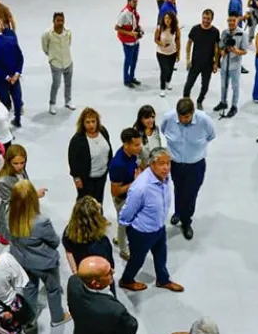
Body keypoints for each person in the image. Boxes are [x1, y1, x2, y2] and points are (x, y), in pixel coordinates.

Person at [117, 147, 184, 293]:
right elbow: (127, 212)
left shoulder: (165, 178)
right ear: (152, 164)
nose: (166, 167)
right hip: (142, 231)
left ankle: (163, 280)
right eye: (161, 163)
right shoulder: (141, 187)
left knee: (161, 256)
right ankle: (126, 280)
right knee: (137, 260)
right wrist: (130, 230)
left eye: (168, 163)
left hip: (159, 227)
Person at [8, 180, 71, 327]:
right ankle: (57, 317)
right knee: (53, 289)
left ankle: (29, 320)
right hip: (44, 264)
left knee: (29, 289)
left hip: (22, 261)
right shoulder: (41, 221)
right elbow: (54, 241)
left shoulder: (9, 216)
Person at [67, 256, 137, 334]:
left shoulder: (73, 282)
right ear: (95, 283)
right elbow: (132, 327)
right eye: (108, 272)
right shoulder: (114, 311)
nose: (113, 271)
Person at [160, 98, 216, 241]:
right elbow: (163, 130)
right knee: (178, 189)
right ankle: (178, 212)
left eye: (186, 117)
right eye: (180, 117)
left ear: (193, 113)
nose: (183, 120)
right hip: (176, 164)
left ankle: (186, 221)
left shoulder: (204, 120)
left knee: (191, 194)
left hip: (195, 165)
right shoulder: (169, 118)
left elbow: (211, 135)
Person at [0, 144, 44, 245]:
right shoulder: (2, 181)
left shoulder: (22, 171)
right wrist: (34, 196)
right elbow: (12, 203)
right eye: (15, 163)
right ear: (8, 162)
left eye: (22, 162)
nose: (19, 166)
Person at [108, 128, 143, 261]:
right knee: (124, 225)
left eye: (140, 143)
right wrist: (135, 182)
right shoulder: (117, 164)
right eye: (136, 145)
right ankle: (123, 250)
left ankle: (119, 238)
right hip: (122, 200)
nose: (140, 147)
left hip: (131, 196)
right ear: (126, 145)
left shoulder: (132, 154)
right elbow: (115, 191)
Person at [67, 107, 113, 204]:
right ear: (83, 123)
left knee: (99, 201)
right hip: (86, 179)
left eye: (93, 121)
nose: (91, 125)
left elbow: (109, 150)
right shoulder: (77, 140)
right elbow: (73, 160)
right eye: (87, 122)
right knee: (85, 202)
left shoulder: (103, 131)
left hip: (102, 176)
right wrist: (76, 178)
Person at [0, 17, 25, 128]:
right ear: (1, 27)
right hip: (15, 77)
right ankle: (17, 119)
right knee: (17, 98)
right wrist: (17, 73)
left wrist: (6, 77)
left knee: (2, 102)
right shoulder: (11, 39)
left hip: (1, 79)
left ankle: (4, 124)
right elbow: (20, 57)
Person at [62, 196, 115, 274]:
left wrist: (75, 271)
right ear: (95, 219)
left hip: (81, 270)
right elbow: (108, 267)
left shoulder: (69, 231)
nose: (100, 204)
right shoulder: (102, 243)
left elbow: (68, 251)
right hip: (97, 276)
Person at [183, 10, 221, 110]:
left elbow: (216, 48)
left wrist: (216, 63)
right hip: (195, 63)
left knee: (205, 87)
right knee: (188, 85)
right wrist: (188, 59)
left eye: (208, 19)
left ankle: (199, 101)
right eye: (204, 18)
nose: (205, 21)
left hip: (208, 64)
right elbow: (189, 44)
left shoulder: (215, 32)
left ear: (212, 19)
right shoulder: (195, 29)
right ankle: (186, 102)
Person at [214, 14, 248, 119]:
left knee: (235, 87)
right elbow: (220, 46)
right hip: (225, 64)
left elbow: (245, 51)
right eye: (229, 20)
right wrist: (222, 51)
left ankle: (234, 106)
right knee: (223, 85)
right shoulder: (225, 32)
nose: (231, 22)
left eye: (233, 20)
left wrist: (237, 51)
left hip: (235, 66)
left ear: (237, 21)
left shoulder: (242, 34)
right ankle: (223, 102)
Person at [41, 11, 74, 114]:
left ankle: (68, 101)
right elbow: (45, 48)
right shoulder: (47, 34)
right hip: (56, 64)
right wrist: (52, 57)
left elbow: (69, 43)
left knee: (68, 83)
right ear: (53, 21)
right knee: (56, 84)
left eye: (62, 20)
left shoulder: (68, 32)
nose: (60, 23)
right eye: (58, 20)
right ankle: (52, 103)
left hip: (68, 62)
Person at [115, 0, 142, 88]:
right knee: (128, 61)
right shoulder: (125, 13)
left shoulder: (133, 11)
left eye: (137, 1)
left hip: (135, 40)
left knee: (134, 60)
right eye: (134, 2)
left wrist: (139, 28)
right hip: (128, 42)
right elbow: (117, 27)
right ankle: (126, 80)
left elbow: (134, 23)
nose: (136, 3)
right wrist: (130, 33)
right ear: (129, 1)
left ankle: (132, 77)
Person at [155, 11, 181, 97]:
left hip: (172, 52)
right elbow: (155, 39)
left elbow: (178, 41)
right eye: (166, 18)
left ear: (172, 19)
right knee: (164, 70)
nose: (167, 20)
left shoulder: (176, 29)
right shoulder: (159, 28)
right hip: (161, 53)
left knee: (170, 70)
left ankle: (168, 82)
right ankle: (162, 88)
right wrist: (161, 44)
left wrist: (178, 53)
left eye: (169, 18)